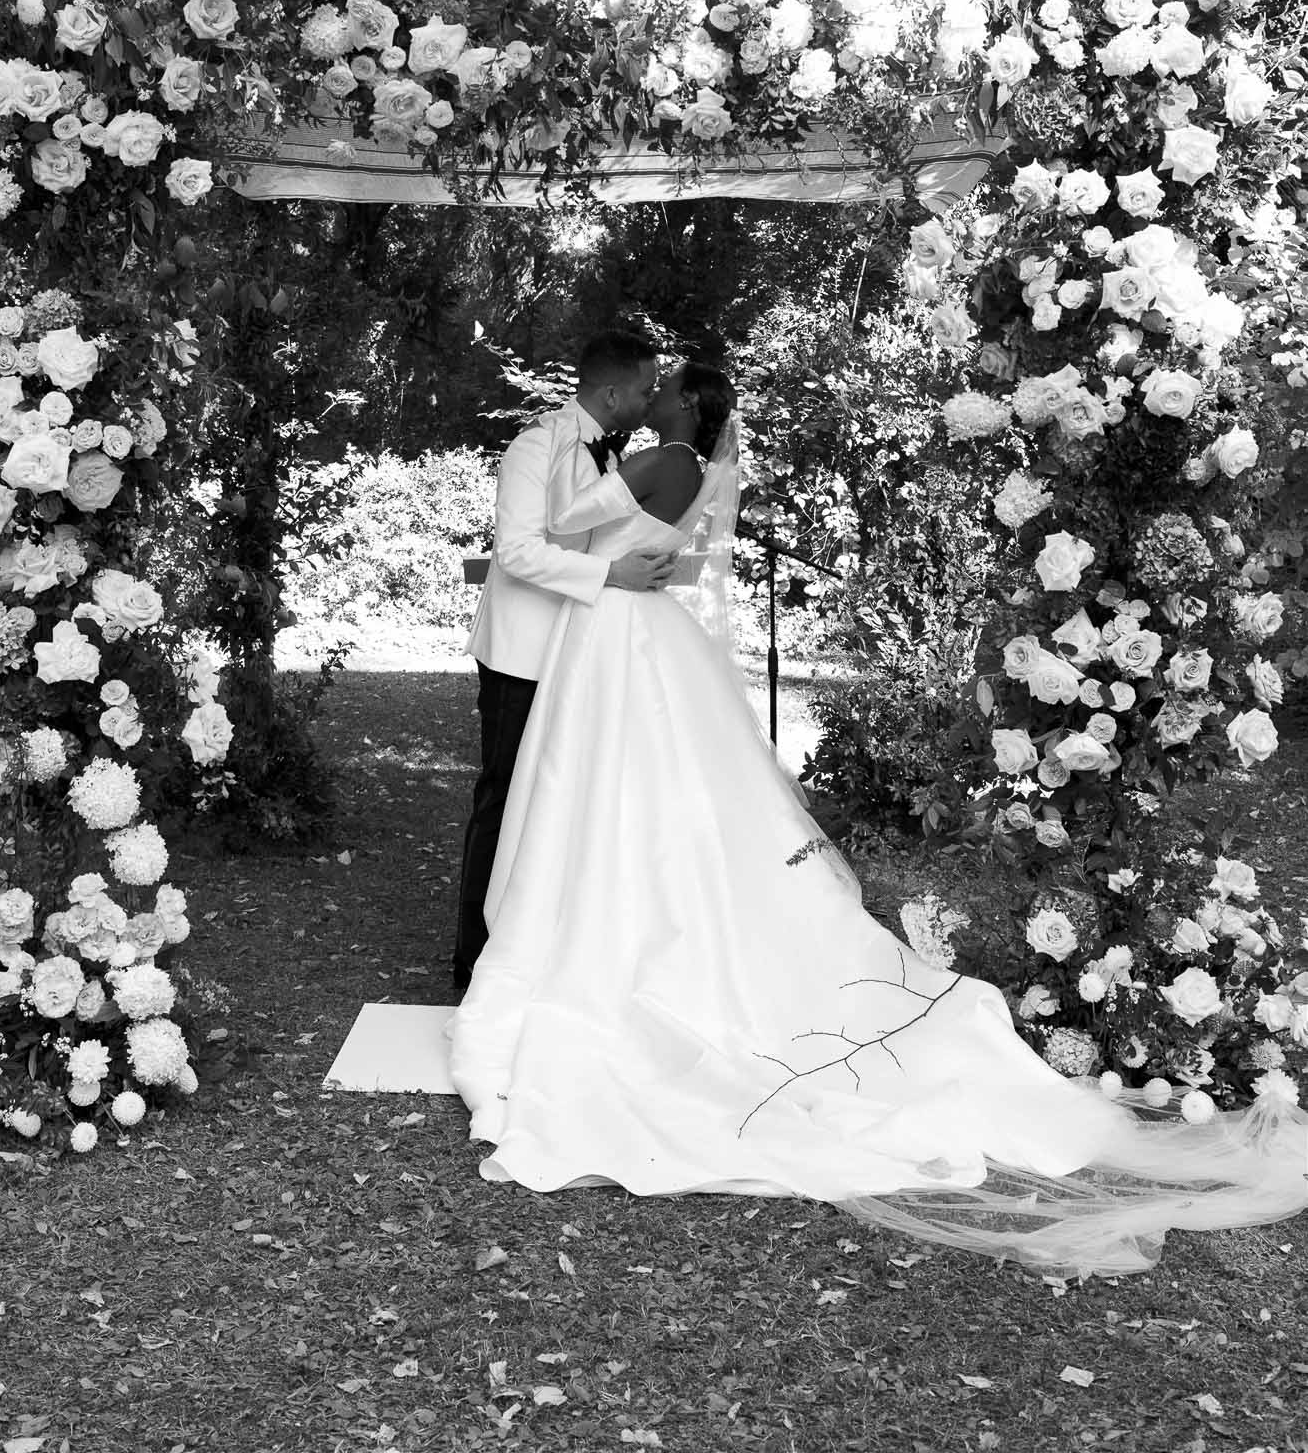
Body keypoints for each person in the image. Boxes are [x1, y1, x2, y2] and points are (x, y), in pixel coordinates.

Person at [448, 361, 1308, 1276]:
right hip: (643, 624)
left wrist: (580, 510)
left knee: (603, 778)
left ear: (685, 407)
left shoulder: (662, 456)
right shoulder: (692, 467)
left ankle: (595, 917)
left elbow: (562, 524)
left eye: (666, 388)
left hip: (620, 626)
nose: (654, 393)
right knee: (659, 781)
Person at [454, 329, 677, 994]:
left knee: (558, 803)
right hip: (521, 657)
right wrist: (612, 574)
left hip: (580, 655)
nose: (650, 398)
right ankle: (473, 960)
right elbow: (516, 552)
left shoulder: (618, 456)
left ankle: (541, 949)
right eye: (644, 388)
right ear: (612, 393)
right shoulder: (534, 445)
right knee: (502, 799)